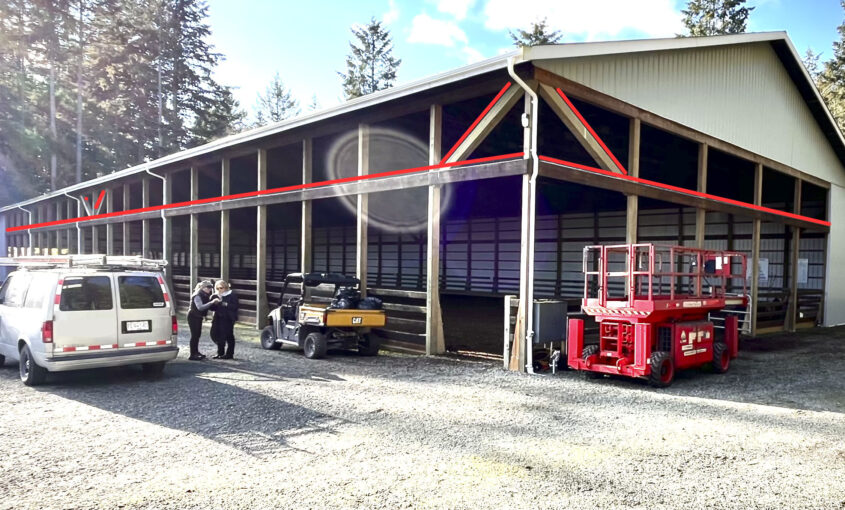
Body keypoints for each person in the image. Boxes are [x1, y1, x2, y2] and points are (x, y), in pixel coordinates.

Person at [187, 280, 219, 361]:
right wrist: (212, 302)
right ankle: (192, 354)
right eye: (208, 287)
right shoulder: (197, 295)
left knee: (197, 335)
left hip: (198, 316)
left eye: (211, 287)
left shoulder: (205, 295)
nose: (210, 289)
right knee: (194, 335)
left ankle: (196, 352)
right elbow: (200, 307)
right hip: (193, 316)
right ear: (203, 288)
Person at [211, 280, 239, 359]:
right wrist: (213, 303)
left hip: (228, 318)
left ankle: (230, 354)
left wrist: (224, 303)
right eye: (217, 288)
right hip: (218, 317)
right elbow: (212, 308)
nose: (219, 290)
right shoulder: (216, 295)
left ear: (225, 287)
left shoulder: (232, 295)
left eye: (221, 288)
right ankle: (220, 353)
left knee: (229, 336)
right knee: (218, 335)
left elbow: (235, 306)